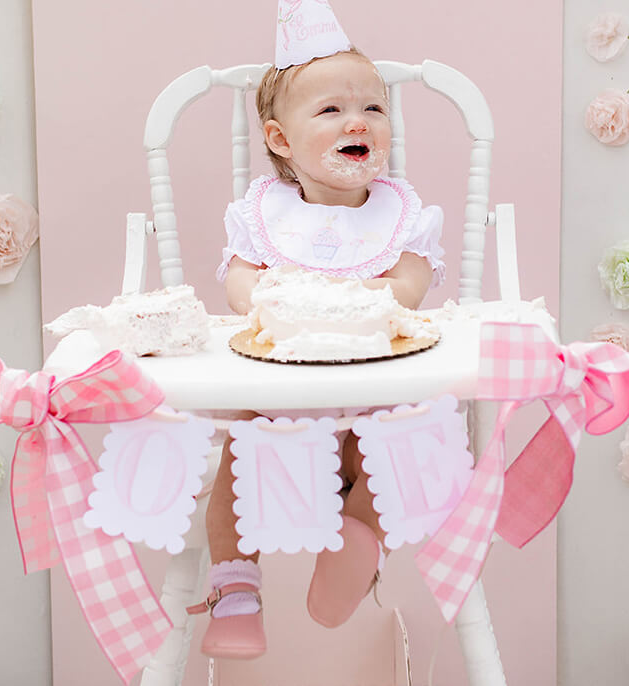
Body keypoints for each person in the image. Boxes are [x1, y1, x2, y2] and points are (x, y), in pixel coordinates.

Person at [189, 0, 445, 659]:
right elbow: (239, 281)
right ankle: (236, 589)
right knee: (236, 465)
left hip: (374, 377)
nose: (357, 120)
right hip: (282, 381)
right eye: (330, 110)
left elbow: (412, 282)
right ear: (280, 139)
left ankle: (356, 538)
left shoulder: (399, 214)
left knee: (386, 446)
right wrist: (263, 295)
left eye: (373, 108)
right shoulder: (265, 215)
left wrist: (383, 296)